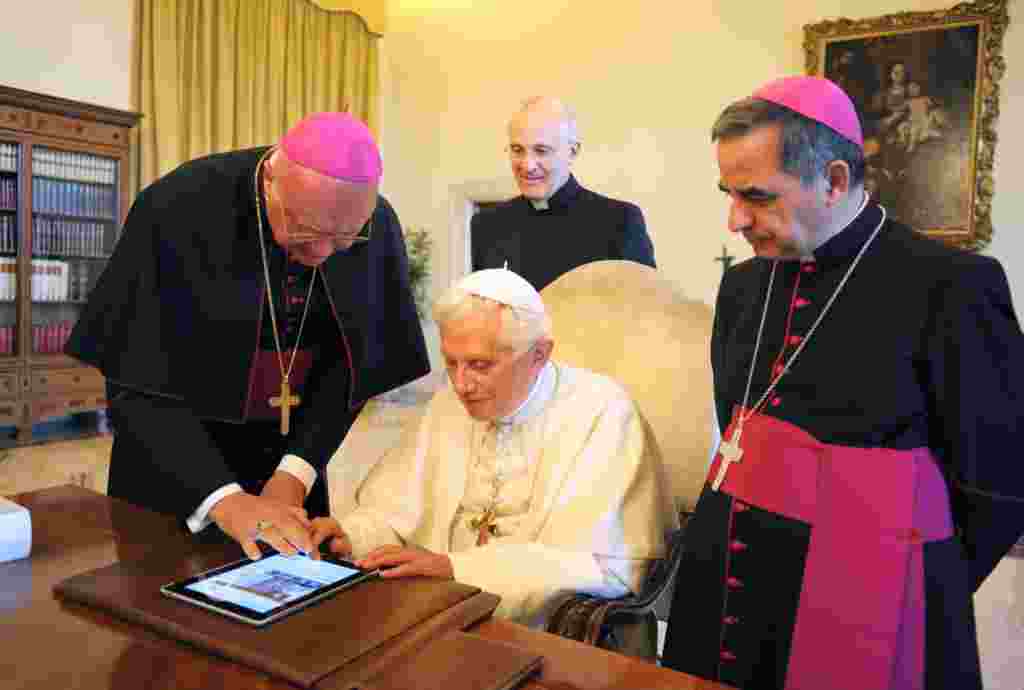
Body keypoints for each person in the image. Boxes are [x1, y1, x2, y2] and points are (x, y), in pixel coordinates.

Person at [662, 76, 1024, 690]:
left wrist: (915, 579)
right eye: (728, 193)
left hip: (874, 595)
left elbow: (998, 482)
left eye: (756, 197)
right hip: (727, 588)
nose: (735, 220)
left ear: (831, 181)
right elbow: (736, 424)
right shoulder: (745, 287)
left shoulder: (952, 285)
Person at [66, 113, 430, 559]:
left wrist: (294, 474)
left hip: (290, 470)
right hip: (176, 471)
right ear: (273, 177)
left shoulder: (375, 225)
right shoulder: (178, 206)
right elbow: (136, 379)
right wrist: (224, 499)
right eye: (305, 231)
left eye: (342, 241)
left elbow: (351, 373)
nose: (319, 254)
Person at [309, 268, 674, 626]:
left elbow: (602, 566)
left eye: (480, 365)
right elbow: (393, 513)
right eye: (451, 363)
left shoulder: (602, 412)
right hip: (438, 610)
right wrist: (352, 536)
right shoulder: (448, 404)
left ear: (539, 355)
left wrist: (456, 568)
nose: (462, 384)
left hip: (544, 633)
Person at [471, 97, 655, 291]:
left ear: (572, 152)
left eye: (541, 151)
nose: (527, 165)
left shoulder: (619, 222)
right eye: (518, 150)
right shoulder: (486, 226)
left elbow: (644, 311)